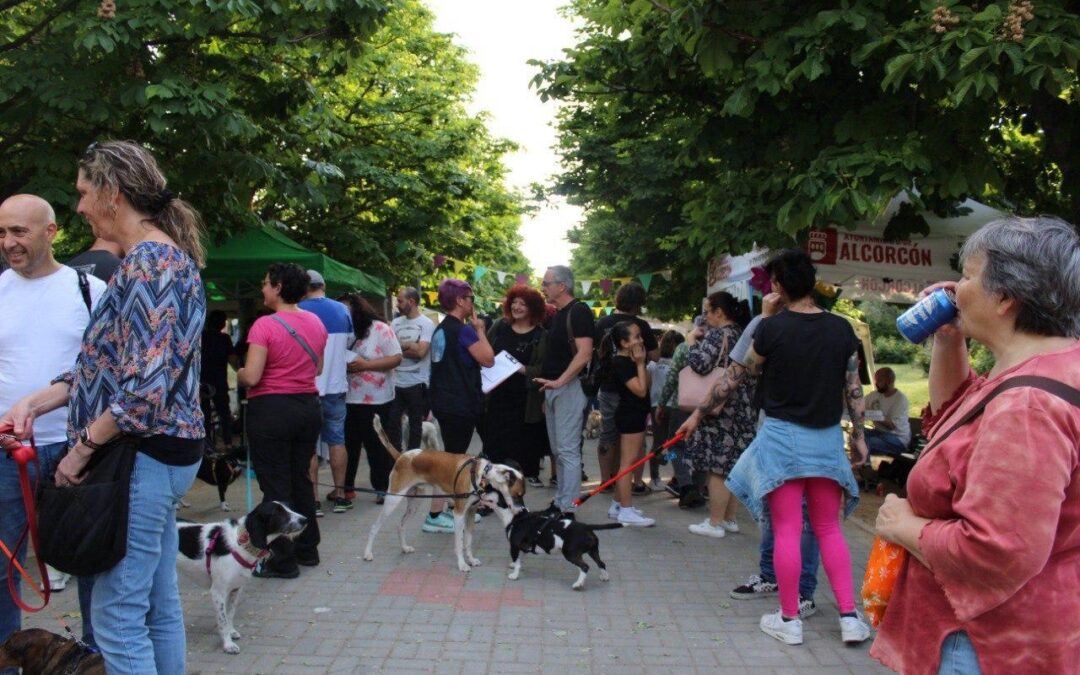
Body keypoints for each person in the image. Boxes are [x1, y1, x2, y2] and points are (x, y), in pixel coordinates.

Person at [2, 140, 207, 674]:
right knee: (156, 608)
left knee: (117, 618)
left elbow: (141, 390)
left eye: (84, 193)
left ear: (112, 194)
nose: (79, 207)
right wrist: (41, 397)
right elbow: (112, 364)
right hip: (152, 456)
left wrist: (80, 451)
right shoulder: (152, 261)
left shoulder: (152, 264)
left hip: (140, 457)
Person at [872, 216, 1080, 674]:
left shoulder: (1028, 405)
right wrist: (949, 338)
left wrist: (902, 525)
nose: (954, 288)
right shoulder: (1052, 367)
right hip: (1036, 629)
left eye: (968, 275)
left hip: (983, 643)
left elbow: (996, 551)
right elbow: (958, 421)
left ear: (1005, 297)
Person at [720, 248, 871, 646]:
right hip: (826, 439)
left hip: (782, 437)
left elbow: (748, 369)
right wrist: (859, 434)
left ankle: (789, 620)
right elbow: (852, 388)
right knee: (828, 528)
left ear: (780, 286)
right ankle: (850, 617)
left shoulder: (771, 328)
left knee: (787, 528)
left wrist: (767, 321)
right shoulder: (842, 330)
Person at [0, 195, 106, 652]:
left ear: (52, 231)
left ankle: (93, 659)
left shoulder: (89, 291)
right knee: (3, 570)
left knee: (88, 564)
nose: (9, 243)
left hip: (76, 451)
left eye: (19, 232)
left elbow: (108, 373)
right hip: (7, 455)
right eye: (2, 233)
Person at [238, 263, 326, 579]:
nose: (262, 289)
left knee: (276, 484)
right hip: (307, 407)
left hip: (272, 409)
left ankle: (282, 559)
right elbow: (317, 369)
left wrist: (239, 373)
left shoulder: (264, 326)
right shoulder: (316, 322)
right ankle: (308, 549)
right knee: (301, 478)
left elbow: (253, 375)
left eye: (264, 282)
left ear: (277, 287)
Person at [684, 291, 757, 539]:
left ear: (719, 312)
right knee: (734, 465)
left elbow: (700, 364)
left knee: (717, 466)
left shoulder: (718, 335)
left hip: (721, 407)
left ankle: (714, 523)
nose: (705, 317)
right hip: (744, 406)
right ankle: (728, 519)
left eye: (707, 311)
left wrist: (691, 342)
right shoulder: (742, 333)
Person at [535, 265, 594, 513]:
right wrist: (550, 390)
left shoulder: (579, 311)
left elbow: (584, 353)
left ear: (562, 286)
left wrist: (560, 381)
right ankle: (561, 501)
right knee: (558, 450)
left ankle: (568, 507)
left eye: (547, 283)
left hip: (568, 388)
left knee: (568, 451)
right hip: (553, 391)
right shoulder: (558, 314)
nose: (543, 287)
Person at [593, 282, 659, 490]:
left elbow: (596, 350)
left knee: (608, 434)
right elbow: (656, 355)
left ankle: (606, 480)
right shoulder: (640, 326)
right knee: (636, 435)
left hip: (608, 386)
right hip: (634, 386)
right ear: (639, 303)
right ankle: (637, 482)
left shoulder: (603, 322)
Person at [299, 271, 353, 513]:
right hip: (336, 386)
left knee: (309, 445)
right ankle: (341, 495)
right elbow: (349, 342)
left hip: (307, 387)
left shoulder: (297, 310)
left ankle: (314, 500)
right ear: (324, 285)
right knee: (337, 440)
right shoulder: (342, 311)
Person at [482, 285, 548, 483]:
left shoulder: (540, 336)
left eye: (523, 304)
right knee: (494, 450)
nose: (517, 307)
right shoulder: (499, 326)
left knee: (520, 456)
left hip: (524, 403)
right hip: (496, 398)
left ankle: (514, 502)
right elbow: (484, 351)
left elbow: (543, 370)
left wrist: (522, 369)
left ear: (533, 309)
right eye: (514, 302)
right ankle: (491, 497)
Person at [342, 295, 402, 512]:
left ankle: (381, 487)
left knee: (376, 444)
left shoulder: (380, 328)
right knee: (348, 444)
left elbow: (396, 357)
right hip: (347, 396)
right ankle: (344, 488)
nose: (343, 315)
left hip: (377, 398)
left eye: (346, 310)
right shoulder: (343, 332)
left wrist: (366, 364)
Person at [599, 322, 655, 526]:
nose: (640, 341)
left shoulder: (630, 360)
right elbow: (640, 390)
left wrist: (641, 362)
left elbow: (647, 384)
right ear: (623, 343)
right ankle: (626, 510)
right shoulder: (621, 362)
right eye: (635, 337)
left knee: (630, 461)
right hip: (629, 415)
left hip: (637, 414)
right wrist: (639, 364)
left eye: (640, 336)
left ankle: (616, 504)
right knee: (627, 464)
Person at [388, 287, 435, 451]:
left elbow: (421, 352)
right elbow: (390, 350)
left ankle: (413, 460)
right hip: (396, 382)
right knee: (392, 423)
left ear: (412, 302)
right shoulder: (395, 323)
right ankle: (396, 458)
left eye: (400, 301)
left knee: (416, 426)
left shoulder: (426, 324)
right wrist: (410, 346)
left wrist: (401, 348)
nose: (397, 305)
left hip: (417, 383)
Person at [200, 310, 238, 447]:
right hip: (219, 382)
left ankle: (207, 445)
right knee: (224, 414)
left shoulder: (201, 336)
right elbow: (233, 361)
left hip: (202, 381)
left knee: (204, 415)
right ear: (222, 323)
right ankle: (227, 443)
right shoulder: (224, 339)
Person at [864, 367, 911, 457]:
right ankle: (863, 465)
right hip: (879, 432)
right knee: (856, 435)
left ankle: (864, 467)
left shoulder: (900, 399)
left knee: (864, 443)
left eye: (879, 381)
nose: (876, 384)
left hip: (897, 438)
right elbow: (858, 405)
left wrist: (873, 414)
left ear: (889, 381)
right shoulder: (875, 395)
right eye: (876, 380)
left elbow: (891, 426)